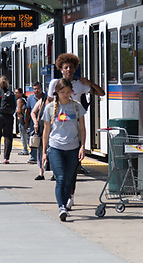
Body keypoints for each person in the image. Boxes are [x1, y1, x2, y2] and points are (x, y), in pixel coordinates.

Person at [47, 53, 105, 209]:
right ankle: (63, 196)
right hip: (58, 127)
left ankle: (70, 194)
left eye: (71, 68)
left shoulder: (79, 85)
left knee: (73, 169)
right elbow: (49, 102)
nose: (68, 70)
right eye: (65, 68)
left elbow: (101, 93)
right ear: (60, 69)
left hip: (75, 128)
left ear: (74, 69)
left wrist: (90, 83)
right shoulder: (54, 83)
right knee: (61, 173)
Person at [41, 78, 86, 221]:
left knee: (68, 180)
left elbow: (83, 128)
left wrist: (83, 146)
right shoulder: (50, 108)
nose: (65, 95)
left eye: (68, 92)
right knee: (60, 178)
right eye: (62, 92)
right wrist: (43, 152)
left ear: (72, 92)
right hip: (56, 148)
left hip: (73, 148)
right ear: (57, 92)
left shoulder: (77, 106)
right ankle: (62, 207)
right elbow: (46, 130)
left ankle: (65, 202)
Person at [25, 81, 45, 162]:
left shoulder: (46, 97)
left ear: (41, 89)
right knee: (33, 138)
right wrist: (26, 122)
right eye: (34, 89)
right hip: (33, 122)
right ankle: (33, 156)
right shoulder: (30, 98)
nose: (36, 91)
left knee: (43, 139)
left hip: (44, 122)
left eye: (38, 89)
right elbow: (28, 111)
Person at [30, 95, 48, 180]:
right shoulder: (42, 101)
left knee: (53, 150)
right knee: (41, 150)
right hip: (41, 129)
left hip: (53, 130)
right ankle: (41, 173)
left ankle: (55, 173)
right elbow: (33, 112)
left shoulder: (57, 101)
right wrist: (35, 123)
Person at [15, 88, 29, 155]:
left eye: (17, 93)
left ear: (21, 93)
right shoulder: (24, 99)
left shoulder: (19, 100)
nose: (15, 94)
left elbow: (19, 110)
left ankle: (25, 149)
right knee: (26, 135)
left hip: (21, 119)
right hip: (25, 119)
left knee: (23, 135)